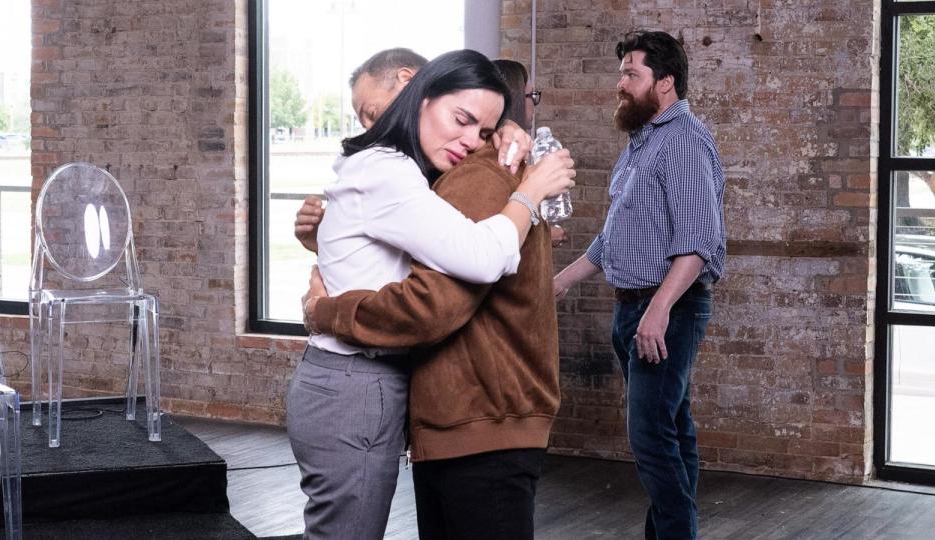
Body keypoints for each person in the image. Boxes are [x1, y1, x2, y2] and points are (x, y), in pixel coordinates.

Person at [288, 49, 574, 540]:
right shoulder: (394, 170)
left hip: (390, 390)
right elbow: (474, 265)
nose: (469, 140)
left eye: (483, 131)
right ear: (420, 95)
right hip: (358, 383)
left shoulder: (428, 171)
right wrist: (529, 192)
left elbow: (393, 258)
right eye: (461, 120)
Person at [552, 31, 726, 539]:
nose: (620, 83)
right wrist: (560, 281)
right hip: (633, 307)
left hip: (667, 309)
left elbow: (697, 243)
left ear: (665, 82)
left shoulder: (686, 141)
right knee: (671, 429)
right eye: (621, 73)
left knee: (650, 435)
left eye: (632, 74)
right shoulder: (642, 141)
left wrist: (659, 310)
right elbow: (618, 236)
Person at [295, 49, 536, 251]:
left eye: (371, 113)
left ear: (409, 82)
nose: (370, 128)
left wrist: (508, 128)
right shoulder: (387, 166)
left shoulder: (473, 158)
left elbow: (480, 261)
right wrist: (327, 238)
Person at [492, 59, 568, 248]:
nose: (534, 104)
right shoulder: (498, 157)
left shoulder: (516, 147)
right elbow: (490, 237)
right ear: (514, 98)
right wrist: (542, 238)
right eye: (531, 96)